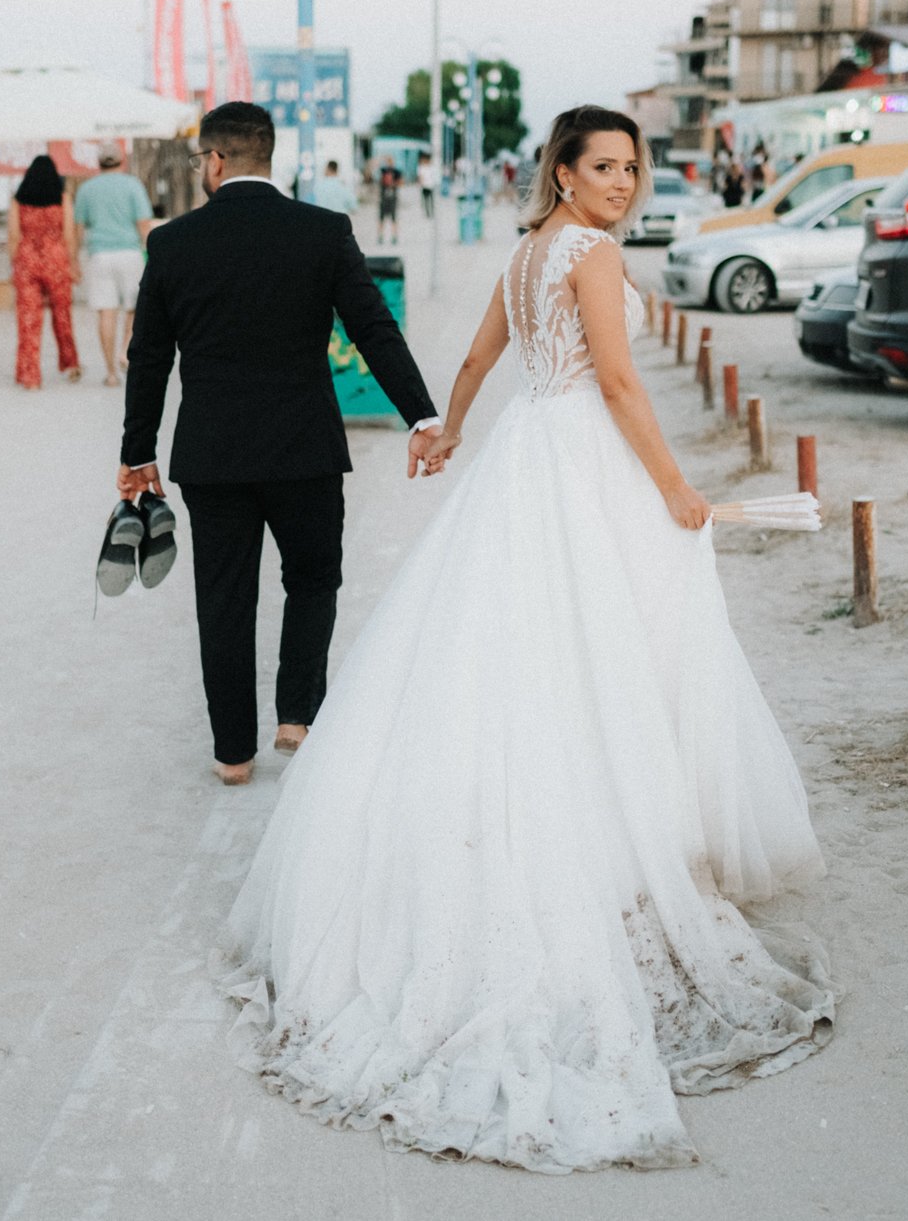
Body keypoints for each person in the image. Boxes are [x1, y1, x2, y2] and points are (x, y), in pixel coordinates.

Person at [216, 105, 833, 1173]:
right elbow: (623, 383)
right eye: (603, 166)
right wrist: (678, 488)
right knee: (605, 646)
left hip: (522, 456)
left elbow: (477, 357)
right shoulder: (587, 252)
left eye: (631, 168)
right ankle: (606, 849)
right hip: (582, 455)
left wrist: (448, 430)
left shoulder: (523, 252)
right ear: (562, 169)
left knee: (516, 650)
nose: (622, 184)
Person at [116, 101, 442, 786]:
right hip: (305, 448)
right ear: (270, 157)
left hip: (213, 454)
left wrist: (136, 453)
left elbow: (148, 359)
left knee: (224, 599)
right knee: (314, 577)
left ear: (215, 160)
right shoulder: (323, 232)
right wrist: (421, 415)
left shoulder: (173, 244)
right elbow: (373, 329)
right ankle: (297, 713)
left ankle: (233, 751)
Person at [73, 147, 155, 386]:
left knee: (106, 312)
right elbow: (143, 224)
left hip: (99, 255)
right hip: (130, 253)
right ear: (122, 161)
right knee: (133, 307)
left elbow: (78, 227)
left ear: (98, 163)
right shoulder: (132, 185)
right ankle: (125, 350)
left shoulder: (87, 189)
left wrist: (74, 261)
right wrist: (152, 254)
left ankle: (110, 372)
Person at [5, 154, 82, 390]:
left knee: (28, 319)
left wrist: (14, 266)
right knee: (62, 316)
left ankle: (30, 376)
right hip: (56, 260)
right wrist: (73, 264)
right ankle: (70, 364)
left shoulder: (18, 201)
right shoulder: (62, 198)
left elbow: (13, 236)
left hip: (27, 261)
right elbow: (68, 235)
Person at [375, 155, 402, 245]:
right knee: (383, 219)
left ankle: (393, 236)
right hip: (386, 198)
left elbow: (401, 182)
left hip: (390, 198)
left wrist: (393, 184)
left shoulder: (396, 172)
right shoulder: (383, 170)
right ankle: (381, 236)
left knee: (392, 218)